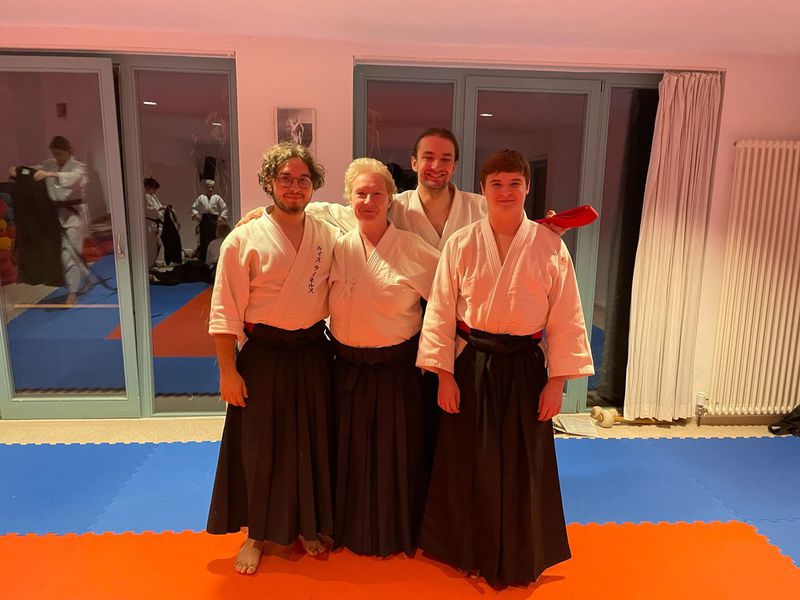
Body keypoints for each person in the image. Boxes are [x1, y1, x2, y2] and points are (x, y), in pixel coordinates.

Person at [416, 149, 594, 588]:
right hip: (473, 361)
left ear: (528, 188)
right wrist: (443, 374)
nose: (506, 191)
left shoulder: (550, 246)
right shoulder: (461, 243)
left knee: (523, 464)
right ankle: (465, 548)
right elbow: (440, 310)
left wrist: (557, 382)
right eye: (496, 184)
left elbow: (566, 317)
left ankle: (522, 552)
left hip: (526, 367)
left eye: (515, 183)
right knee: (468, 461)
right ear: (483, 189)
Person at [206, 142, 338, 575]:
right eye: (285, 179)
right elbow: (224, 312)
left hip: (313, 351)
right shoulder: (242, 240)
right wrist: (228, 371)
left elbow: (369, 210)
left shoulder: (327, 233)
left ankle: (309, 526)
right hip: (263, 355)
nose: (294, 187)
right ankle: (256, 535)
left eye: (303, 180)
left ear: (314, 186)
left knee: (311, 442)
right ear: (268, 183)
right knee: (260, 449)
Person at [329, 158, 440, 557]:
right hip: (347, 369)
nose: (369, 201)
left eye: (378, 193)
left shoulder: (411, 248)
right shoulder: (335, 247)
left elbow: (449, 297)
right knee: (349, 452)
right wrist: (259, 214)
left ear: (391, 198)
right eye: (361, 193)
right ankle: (345, 529)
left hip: (397, 370)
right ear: (348, 199)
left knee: (397, 454)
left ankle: (399, 532)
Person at [27, 136, 91, 304]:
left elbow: (72, 178)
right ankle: (86, 275)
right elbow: (35, 169)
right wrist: (19, 171)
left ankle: (72, 292)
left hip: (75, 215)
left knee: (68, 254)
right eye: (54, 154)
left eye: (60, 154)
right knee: (68, 252)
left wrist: (50, 174)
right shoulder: (50, 164)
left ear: (68, 151)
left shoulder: (78, 167)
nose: (57, 157)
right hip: (56, 214)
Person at [192, 179, 228, 262]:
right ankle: (203, 260)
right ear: (205, 188)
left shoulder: (217, 198)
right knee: (203, 240)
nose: (210, 189)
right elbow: (194, 208)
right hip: (204, 220)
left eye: (212, 187)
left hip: (214, 220)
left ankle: (214, 258)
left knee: (213, 238)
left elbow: (224, 208)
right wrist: (196, 215)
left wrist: (221, 217)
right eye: (209, 187)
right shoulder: (201, 198)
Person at [143, 177, 166, 268]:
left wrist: (162, 208)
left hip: (155, 223)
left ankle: (154, 262)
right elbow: (152, 210)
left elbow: (158, 207)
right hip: (150, 223)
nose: (155, 190)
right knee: (151, 246)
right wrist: (161, 209)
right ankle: (149, 265)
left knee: (157, 244)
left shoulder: (152, 196)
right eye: (154, 188)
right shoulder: (146, 196)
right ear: (148, 187)